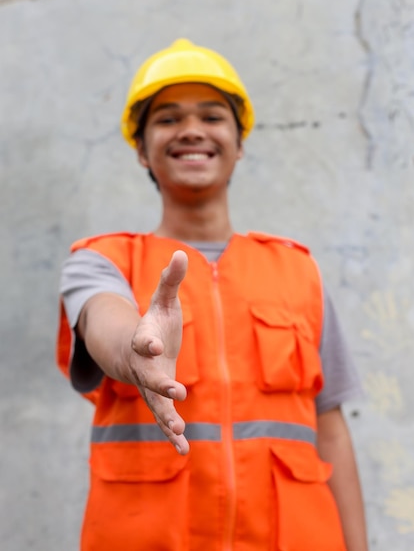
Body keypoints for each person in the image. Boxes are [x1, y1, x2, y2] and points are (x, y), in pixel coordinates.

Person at [56, 38, 368, 551]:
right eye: (168, 119)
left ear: (239, 142)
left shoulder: (298, 270)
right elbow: (104, 321)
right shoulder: (102, 259)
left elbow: (329, 428)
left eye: (211, 116)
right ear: (141, 149)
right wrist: (137, 354)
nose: (192, 130)